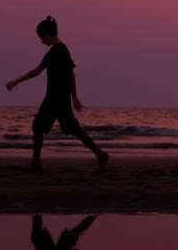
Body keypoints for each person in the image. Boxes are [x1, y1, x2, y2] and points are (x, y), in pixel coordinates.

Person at [6, 16, 109, 172]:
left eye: (41, 37)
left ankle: (36, 164)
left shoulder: (56, 50)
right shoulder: (62, 49)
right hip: (61, 97)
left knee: (38, 126)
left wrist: (15, 81)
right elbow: (71, 74)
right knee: (73, 129)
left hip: (55, 97)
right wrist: (74, 96)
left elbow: (37, 71)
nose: (41, 41)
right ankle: (100, 154)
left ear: (48, 33)